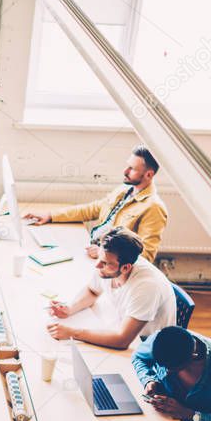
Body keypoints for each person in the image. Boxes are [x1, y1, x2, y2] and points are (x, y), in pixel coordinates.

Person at [24, 145, 168, 262]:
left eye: (132, 169)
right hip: (93, 250)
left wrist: (103, 253)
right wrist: (50, 215)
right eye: (127, 166)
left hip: (106, 263)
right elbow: (92, 209)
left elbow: (146, 257)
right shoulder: (125, 190)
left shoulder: (153, 207)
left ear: (149, 175)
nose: (125, 171)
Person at [46, 226, 176, 349]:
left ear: (125, 268)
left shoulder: (147, 287)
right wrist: (69, 308)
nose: (97, 265)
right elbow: (92, 291)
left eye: (105, 263)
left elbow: (122, 340)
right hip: (122, 327)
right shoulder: (109, 264)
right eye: (99, 258)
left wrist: (72, 333)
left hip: (147, 348)